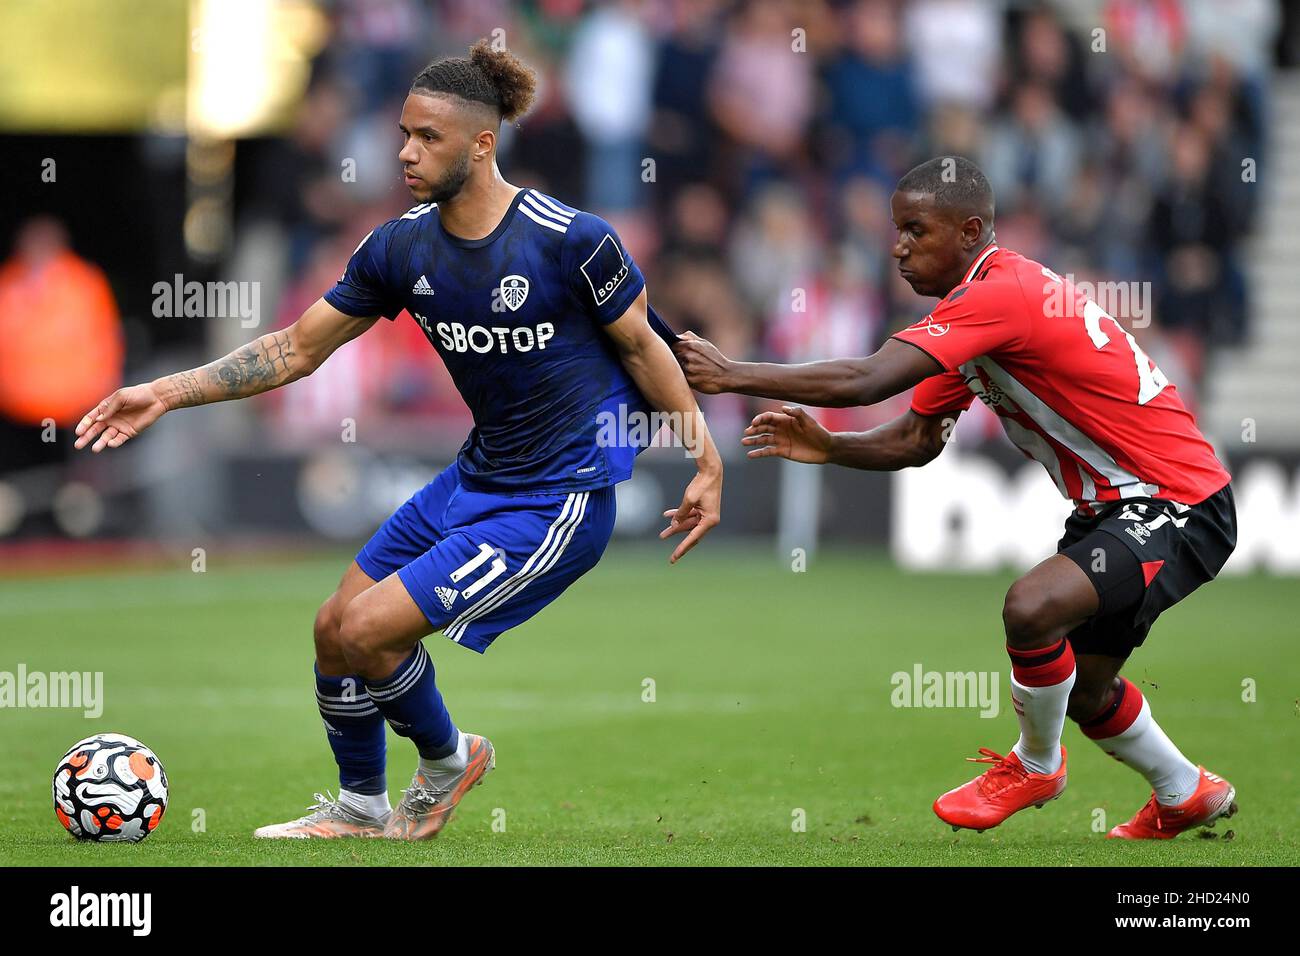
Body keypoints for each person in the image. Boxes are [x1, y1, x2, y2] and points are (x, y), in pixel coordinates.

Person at [74, 41, 723, 841]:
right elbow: (296, 348)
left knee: (371, 630)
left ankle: (451, 763)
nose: (406, 153)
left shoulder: (571, 240)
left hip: (556, 498)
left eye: (429, 138)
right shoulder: (399, 247)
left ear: (483, 144)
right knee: (331, 628)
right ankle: (359, 807)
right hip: (474, 479)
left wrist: (706, 457)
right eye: (404, 134)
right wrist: (166, 393)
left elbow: (643, 347)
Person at [675, 156, 1236, 840]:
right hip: (1117, 508)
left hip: (1173, 498)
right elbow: (917, 437)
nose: (898, 246)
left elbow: (867, 376)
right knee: (1086, 692)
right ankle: (1184, 790)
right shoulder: (970, 315)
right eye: (896, 229)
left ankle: (1036, 764)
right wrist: (830, 448)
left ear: (970, 231)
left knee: (1031, 609)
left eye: (916, 229)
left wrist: (735, 373)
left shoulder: (1002, 295)